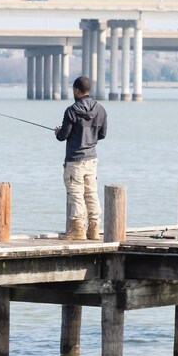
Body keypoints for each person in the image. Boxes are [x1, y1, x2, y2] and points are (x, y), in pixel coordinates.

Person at [55, 75, 107, 241]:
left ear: (77, 90)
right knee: (91, 193)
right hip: (92, 159)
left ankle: (77, 230)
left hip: (75, 160)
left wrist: (58, 131)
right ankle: (94, 229)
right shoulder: (100, 110)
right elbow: (102, 134)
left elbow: (63, 136)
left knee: (76, 194)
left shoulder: (71, 111)